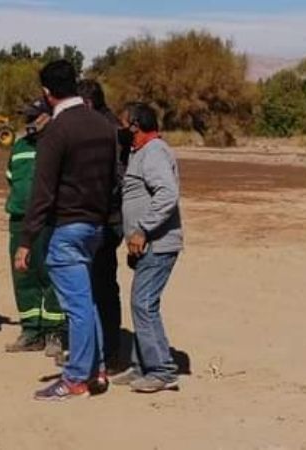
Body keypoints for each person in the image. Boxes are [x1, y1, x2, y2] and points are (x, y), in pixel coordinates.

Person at [15, 60, 117, 401]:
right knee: (87, 302)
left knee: (76, 306)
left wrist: (26, 240)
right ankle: (97, 369)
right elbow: (112, 180)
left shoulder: (57, 131)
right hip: (96, 226)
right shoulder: (103, 125)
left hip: (68, 228)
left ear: (47, 93)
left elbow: (42, 192)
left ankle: (75, 379)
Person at [111, 102, 183, 393]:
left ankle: (162, 370)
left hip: (159, 242)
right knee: (141, 302)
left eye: (122, 124)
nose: (120, 130)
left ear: (135, 126)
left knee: (144, 303)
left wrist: (142, 229)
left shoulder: (153, 152)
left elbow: (167, 193)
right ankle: (142, 365)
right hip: (146, 245)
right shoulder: (140, 153)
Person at [4, 99, 65, 355]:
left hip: (49, 221)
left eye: (33, 117)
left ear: (47, 117)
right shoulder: (18, 146)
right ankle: (31, 330)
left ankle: (54, 332)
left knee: (50, 275)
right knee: (23, 275)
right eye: (26, 117)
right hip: (20, 220)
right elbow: (11, 179)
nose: (28, 122)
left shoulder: (56, 145)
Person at [78, 79, 127, 373]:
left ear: (87, 103)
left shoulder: (110, 131)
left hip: (108, 220)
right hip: (99, 218)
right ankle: (99, 349)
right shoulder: (103, 126)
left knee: (102, 287)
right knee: (94, 286)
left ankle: (109, 352)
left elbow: (117, 177)